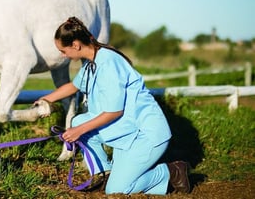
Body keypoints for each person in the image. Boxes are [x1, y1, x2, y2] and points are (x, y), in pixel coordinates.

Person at [39, 17, 190, 195]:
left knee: (117, 190)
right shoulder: (91, 62)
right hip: (127, 128)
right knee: (78, 121)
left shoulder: (109, 64)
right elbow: (74, 86)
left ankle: (172, 172)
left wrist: (78, 131)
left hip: (146, 134)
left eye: (63, 51)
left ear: (76, 45)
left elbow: (114, 112)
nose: (63, 55)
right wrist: (46, 99)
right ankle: (105, 173)